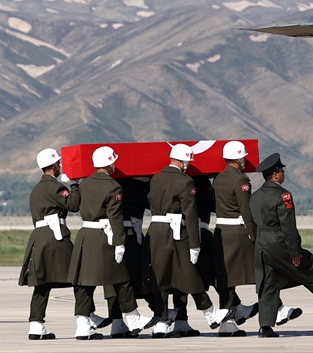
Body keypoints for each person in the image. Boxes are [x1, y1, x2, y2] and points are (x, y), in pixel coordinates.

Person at [250, 152, 313, 338]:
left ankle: (265, 326)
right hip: (278, 241)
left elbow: (251, 223)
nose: (283, 173)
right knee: (304, 267)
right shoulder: (283, 195)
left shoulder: (255, 196)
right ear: (275, 174)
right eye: (281, 170)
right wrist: (295, 250)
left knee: (268, 283)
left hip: (261, 243)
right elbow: (288, 226)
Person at [147, 143, 233, 337]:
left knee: (161, 278)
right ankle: (210, 313)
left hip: (156, 231)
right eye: (187, 161)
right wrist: (195, 244)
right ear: (182, 160)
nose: (187, 165)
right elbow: (191, 214)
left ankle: (161, 322)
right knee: (189, 274)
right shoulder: (185, 182)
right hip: (177, 232)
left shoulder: (155, 178)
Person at [67, 146, 150, 339]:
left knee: (83, 283)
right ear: (110, 163)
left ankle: (82, 325)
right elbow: (115, 217)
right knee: (121, 278)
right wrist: (120, 242)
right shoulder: (114, 187)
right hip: (105, 237)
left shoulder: (85, 183)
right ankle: (133, 317)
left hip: (85, 236)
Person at [18, 148, 82, 340]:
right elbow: (73, 205)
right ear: (54, 166)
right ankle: (86, 318)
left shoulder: (36, 189)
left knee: (42, 284)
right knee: (80, 275)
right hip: (55, 237)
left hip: (39, 237)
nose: (60, 166)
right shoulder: (55, 187)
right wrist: (76, 185)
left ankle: (36, 325)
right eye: (58, 164)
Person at [212, 141, 260, 336]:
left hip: (221, 230)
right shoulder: (241, 181)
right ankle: (229, 322)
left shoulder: (218, 178)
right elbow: (246, 210)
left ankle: (231, 319)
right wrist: (255, 235)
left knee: (225, 278)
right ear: (240, 159)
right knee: (235, 276)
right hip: (237, 233)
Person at [106, 174, 163, 337]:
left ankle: (117, 322)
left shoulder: (111, 183)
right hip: (130, 236)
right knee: (142, 277)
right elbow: (153, 203)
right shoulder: (131, 187)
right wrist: (150, 183)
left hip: (110, 235)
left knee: (114, 281)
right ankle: (160, 315)